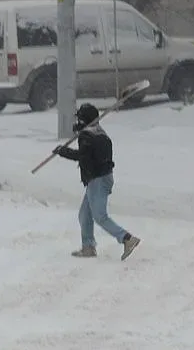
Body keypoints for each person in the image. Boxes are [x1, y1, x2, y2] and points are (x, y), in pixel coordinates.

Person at [53, 103, 141, 261]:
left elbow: (84, 157)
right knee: (84, 215)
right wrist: (81, 133)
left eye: (80, 119)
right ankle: (88, 247)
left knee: (100, 216)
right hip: (104, 177)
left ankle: (127, 238)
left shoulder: (87, 136)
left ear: (84, 120)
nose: (77, 121)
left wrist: (63, 151)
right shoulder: (99, 132)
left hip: (97, 180)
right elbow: (93, 152)